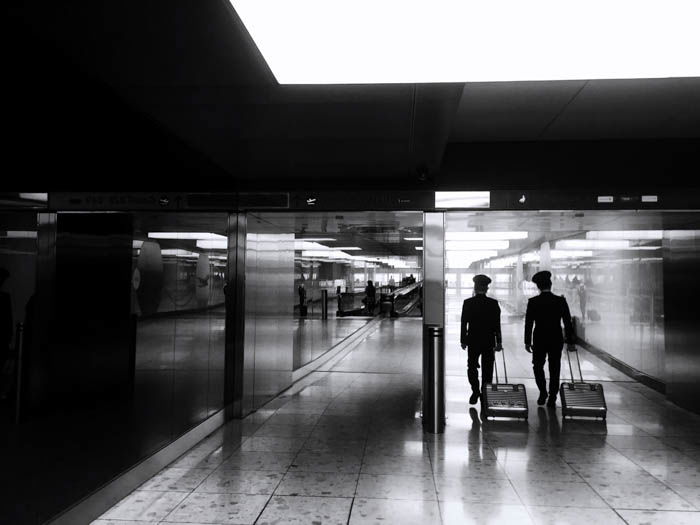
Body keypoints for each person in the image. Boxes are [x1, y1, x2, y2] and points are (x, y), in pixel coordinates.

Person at [524, 270, 576, 407]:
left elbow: (529, 323)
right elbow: (567, 322)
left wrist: (527, 341)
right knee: (555, 367)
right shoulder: (560, 301)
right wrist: (570, 341)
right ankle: (553, 396)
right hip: (555, 338)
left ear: (538, 286)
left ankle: (543, 392)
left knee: (537, 366)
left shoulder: (533, 302)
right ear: (551, 284)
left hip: (539, 338)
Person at [461, 274, 502, 405]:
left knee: (472, 366)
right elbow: (497, 324)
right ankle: (485, 393)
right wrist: (499, 342)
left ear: (475, 287)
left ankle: (475, 391)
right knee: (488, 368)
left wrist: (463, 340)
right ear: (487, 288)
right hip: (489, 341)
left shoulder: (468, 303)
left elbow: (464, 323)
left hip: (473, 340)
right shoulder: (493, 303)